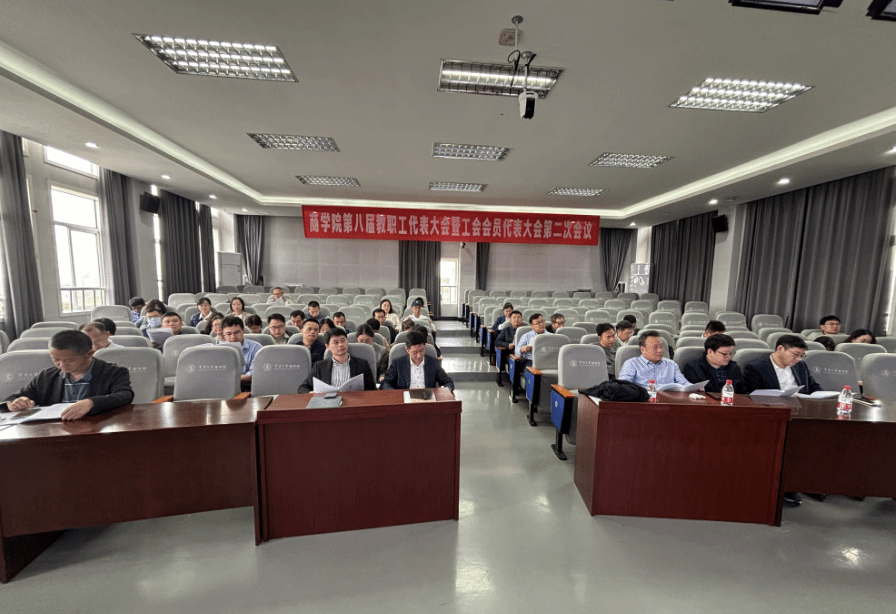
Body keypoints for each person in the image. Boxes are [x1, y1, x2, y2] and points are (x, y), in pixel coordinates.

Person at [1, 330, 133, 420]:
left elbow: (124, 395)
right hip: (54, 433)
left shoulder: (113, 372)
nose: (62, 365)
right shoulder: (47, 376)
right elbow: (13, 398)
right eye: (56, 360)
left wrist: (91, 403)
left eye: (69, 361)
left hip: (97, 430)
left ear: (89, 354)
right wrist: (16, 403)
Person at [297, 327, 376, 393]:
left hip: (354, 402)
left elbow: (371, 389)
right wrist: (310, 393)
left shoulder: (362, 364)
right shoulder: (319, 366)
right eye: (335, 342)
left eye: (343, 340)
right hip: (328, 404)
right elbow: (303, 388)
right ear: (327, 346)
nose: (341, 344)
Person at [743, 335, 821, 394]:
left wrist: (822, 395)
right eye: (795, 354)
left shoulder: (801, 365)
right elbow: (751, 396)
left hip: (801, 405)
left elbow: (813, 386)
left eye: (801, 356)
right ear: (780, 348)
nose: (798, 359)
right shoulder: (756, 368)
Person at [381, 331, 454, 392]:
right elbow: (385, 383)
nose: (419, 355)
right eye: (415, 352)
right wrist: (394, 393)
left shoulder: (433, 363)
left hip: (427, 399)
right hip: (405, 400)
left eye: (421, 351)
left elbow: (448, 382)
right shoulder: (398, 363)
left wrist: (446, 390)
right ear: (407, 350)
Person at [617, 331, 690, 388]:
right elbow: (623, 387)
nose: (660, 350)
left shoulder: (671, 364)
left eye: (661, 347)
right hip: (643, 400)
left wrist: (694, 388)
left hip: (668, 400)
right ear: (643, 349)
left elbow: (684, 384)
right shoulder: (631, 364)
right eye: (655, 347)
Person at [682, 333, 750, 394]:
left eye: (731, 353)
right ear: (710, 352)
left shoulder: (734, 368)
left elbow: (743, 393)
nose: (729, 357)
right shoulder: (693, 368)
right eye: (725, 354)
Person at [220, 316, 262, 390]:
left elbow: (255, 374)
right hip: (224, 387)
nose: (233, 337)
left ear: (243, 330)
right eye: (228, 334)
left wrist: (231, 379)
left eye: (236, 332)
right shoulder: (219, 349)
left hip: (248, 387)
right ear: (223, 334)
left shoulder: (256, 347)